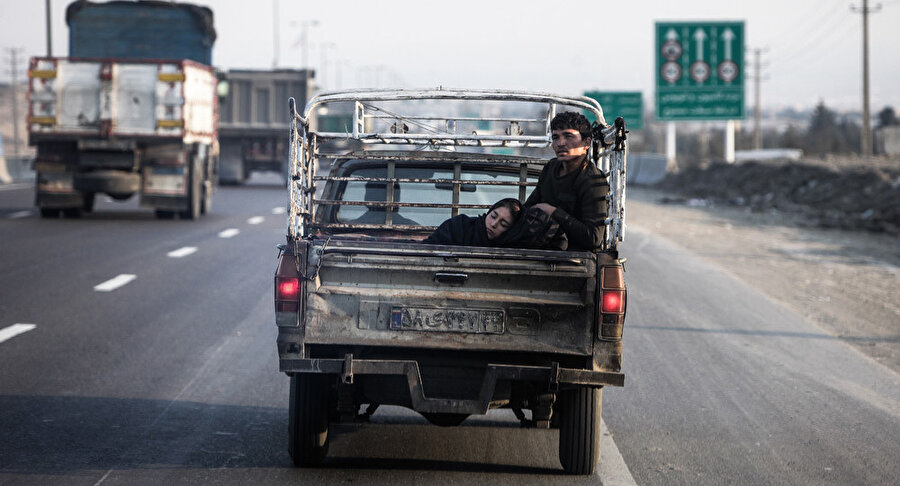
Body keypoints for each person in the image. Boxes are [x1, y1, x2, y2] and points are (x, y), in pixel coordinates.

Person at [525, 111, 609, 251]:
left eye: (568, 136)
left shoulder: (592, 180)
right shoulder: (551, 168)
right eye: (556, 137)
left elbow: (593, 238)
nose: (560, 143)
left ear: (586, 143)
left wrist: (553, 212)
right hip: (543, 250)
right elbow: (530, 207)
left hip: (575, 260)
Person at [423, 198, 522, 246]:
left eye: (503, 224)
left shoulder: (510, 248)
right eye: (493, 216)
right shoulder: (460, 226)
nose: (493, 224)